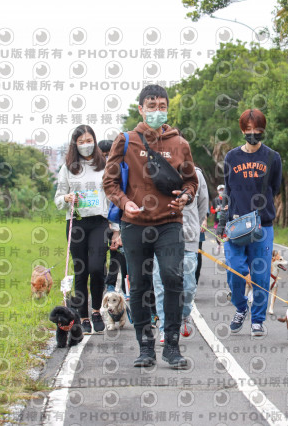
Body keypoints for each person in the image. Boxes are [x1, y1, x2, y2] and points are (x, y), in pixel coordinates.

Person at [103, 84, 198, 369]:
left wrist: (185, 197)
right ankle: (145, 346)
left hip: (170, 223)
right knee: (141, 284)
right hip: (134, 225)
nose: (157, 111)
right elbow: (109, 182)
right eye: (151, 106)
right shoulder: (126, 140)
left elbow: (190, 182)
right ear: (141, 109)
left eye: (162, 106)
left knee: (172, 278)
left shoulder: (180, 144)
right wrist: (123, 202)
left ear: (168, 109)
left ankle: (171, 345)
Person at [220, 109, 282, 336]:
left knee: (261, 275)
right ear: (242, 130)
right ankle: (240, 307)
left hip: (262, 226)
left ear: (263, 130)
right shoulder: (231, 157)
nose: (253, 134)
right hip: (236, 225)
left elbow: (275, 188)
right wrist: (222, 221)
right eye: (248, 130)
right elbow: (228, 190)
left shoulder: (272, 157)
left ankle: (257, 319)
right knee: (235, 270)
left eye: (257, 130)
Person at [54, 125, 109, 334]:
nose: (86, 145)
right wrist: (67, 198)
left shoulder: (103, 165)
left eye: (89, 140)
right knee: (81, 271)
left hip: (99, 222)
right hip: (76, 223)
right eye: (81, 141)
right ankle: (83, 316)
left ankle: (96, 310)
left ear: (94, 141)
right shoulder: (68, 167)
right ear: (74, 144)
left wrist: (115, 229)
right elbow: (58, 198)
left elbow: (112, 196)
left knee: (96, 268)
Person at [153, 166, 208, 345]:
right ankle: (164, 329)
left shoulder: (196, 174)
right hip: (160, 238)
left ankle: (184, 314)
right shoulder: (154, 170)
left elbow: (203, 204)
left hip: (188, 238)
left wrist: (194, 226)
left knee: (189, 286)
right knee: (161, 286)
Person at [97, 139, 128, 294]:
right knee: (100, 253)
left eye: (109, 155)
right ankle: (102, 283)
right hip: (101, 222)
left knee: (118, 253)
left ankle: (116, 284)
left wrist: (116, 228)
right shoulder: (96, 175)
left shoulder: (120, 173)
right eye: (103, 155)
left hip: (117, 221)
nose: (107, 158)